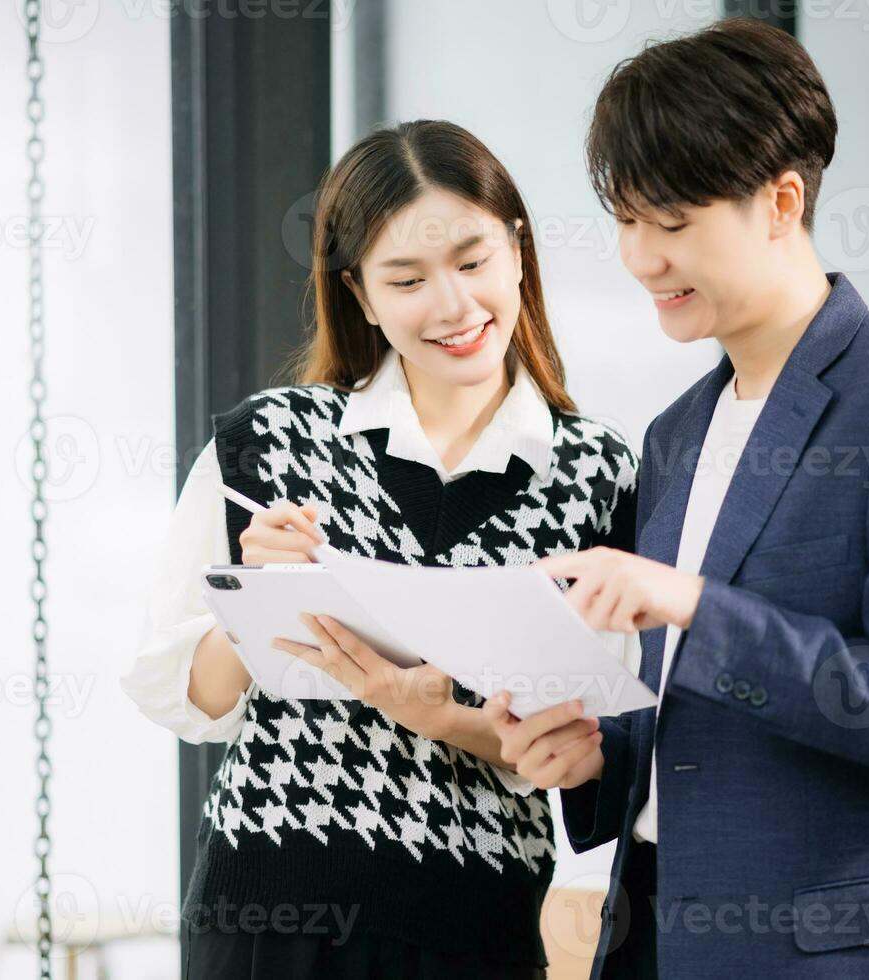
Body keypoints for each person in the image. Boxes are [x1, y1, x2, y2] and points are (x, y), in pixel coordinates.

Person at [486, 19, 869, 979]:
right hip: (656, 935)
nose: (641, 258)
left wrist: (694, 606)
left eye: (674, 222)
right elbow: (706, 707)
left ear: (781, 202)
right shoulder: (676, 434)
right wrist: (604, 754)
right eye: (626, 221)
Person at [121, 119, 639, 979]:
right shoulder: (272, 441)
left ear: (518, 253)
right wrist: (249, 597)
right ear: (361, 295)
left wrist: (435, 715)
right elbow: (183, 696)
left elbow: (585, 741)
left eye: (473, 263)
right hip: (267, 915)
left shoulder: (599, 473)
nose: (452, 306)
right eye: (406, 279)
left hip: (475, 925)